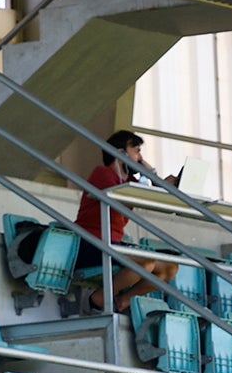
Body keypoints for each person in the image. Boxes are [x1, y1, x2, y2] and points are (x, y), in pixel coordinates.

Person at [74, 130, 179, 314]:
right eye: (137, 151)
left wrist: (151, 174)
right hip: (90, 242)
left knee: (169, 268)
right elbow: (122, 194)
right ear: (121, 153)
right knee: (145, 263)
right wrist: (147, 175)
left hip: (114, 244)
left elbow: (159, 198)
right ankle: (98, 298)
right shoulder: (102, 173)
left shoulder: (130, 180)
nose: (140, 158)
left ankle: (123, 301)